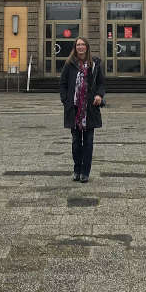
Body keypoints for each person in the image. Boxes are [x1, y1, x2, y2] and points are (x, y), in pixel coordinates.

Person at [59, 37, 105, 183]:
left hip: (90, 109)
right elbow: (63, 84)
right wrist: (66, 100)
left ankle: (85, 172)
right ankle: (77, 169)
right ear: (75, 47)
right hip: (74, 109)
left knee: (89, 142)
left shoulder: (95, 64)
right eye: (78, 45)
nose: (80, 47)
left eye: (83, 44)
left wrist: (99, 95)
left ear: (87, 47)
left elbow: (101, 83)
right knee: (76, 142)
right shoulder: (69, 64)